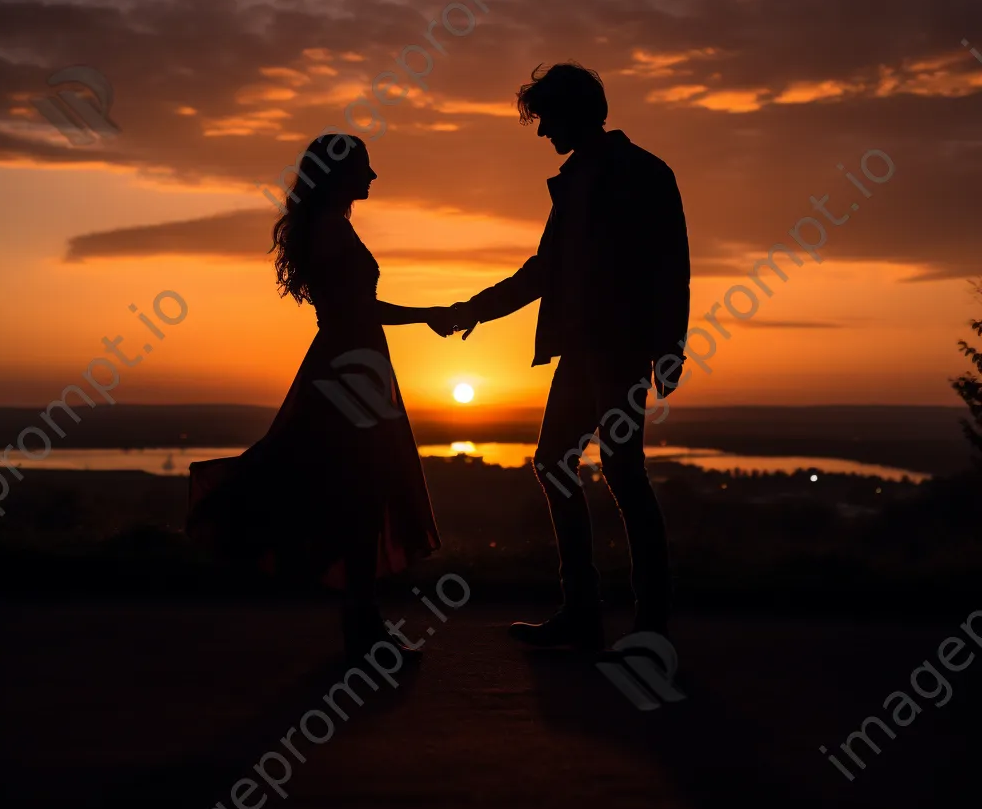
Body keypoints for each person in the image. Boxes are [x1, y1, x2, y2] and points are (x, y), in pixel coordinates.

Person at [186, 133, 455, 661]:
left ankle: (363, 623)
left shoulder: (331, 226)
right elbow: (355, 310)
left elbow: (354, 307)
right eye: (365, 168)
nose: (374, 177)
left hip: (352, 365)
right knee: (361, 492)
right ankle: (363, 626)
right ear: (339, 175)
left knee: (359, 491)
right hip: (350, 370)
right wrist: (428, 315)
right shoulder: (331, 230)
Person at [450, 62, 690, 650]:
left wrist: (667, 348)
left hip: (615, 350)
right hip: (588, 350)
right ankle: (610, 615)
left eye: (546, 118)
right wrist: (476, 308)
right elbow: (546, 270)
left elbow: (668, 264)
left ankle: (627, 619)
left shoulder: (636, 173)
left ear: (574, 111)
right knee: (579, 466)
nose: (540, 133)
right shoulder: (589, 176)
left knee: (613, 472)